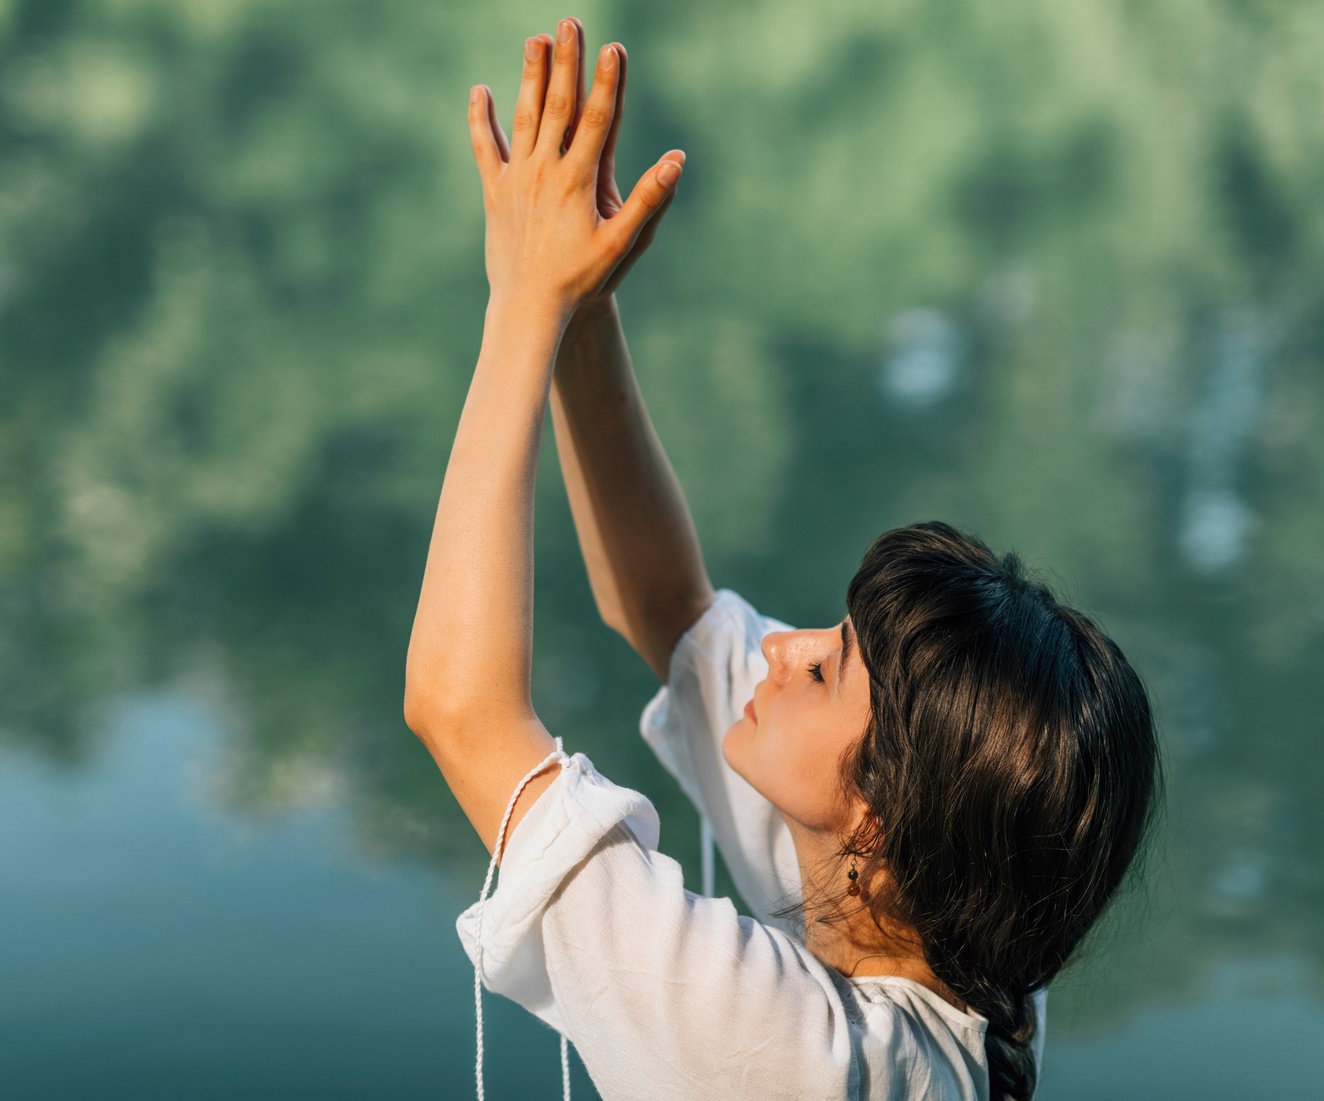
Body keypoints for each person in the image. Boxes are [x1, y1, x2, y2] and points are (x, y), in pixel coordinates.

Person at [403, 17, 1162, 1100]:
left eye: (824, 669)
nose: (781, 649)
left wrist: (520, 305)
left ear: (881, 820)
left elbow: (459, 707)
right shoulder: (968, 972)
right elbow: (665, 606)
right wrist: (583, 309)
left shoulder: (776, 1056)